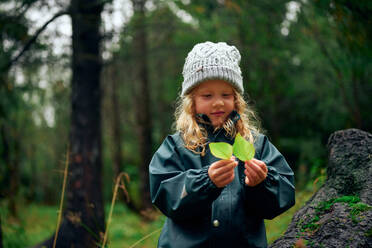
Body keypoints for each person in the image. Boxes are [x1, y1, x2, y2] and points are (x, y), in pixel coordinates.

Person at [149, 41, 295, 248]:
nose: (218, 102)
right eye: (207, 95)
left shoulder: (256, 144)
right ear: (192, 101)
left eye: (226, 95)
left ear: (236, 99)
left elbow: (283, 194)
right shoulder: (177, 146)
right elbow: (165, 194)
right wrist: (204, 182)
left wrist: (262, 183)